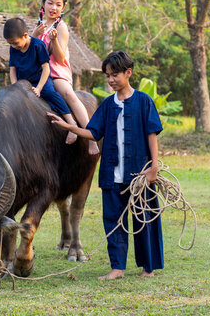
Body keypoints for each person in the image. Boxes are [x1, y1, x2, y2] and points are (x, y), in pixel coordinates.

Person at [47, 50, 164, 280]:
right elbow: (93, 131)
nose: (110, 80)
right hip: (112, 174)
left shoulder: (143, 101)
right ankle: (117, 268)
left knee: (144, 219)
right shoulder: (108, 104)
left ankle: (147, 268)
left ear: (128, 73)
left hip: (140, 173)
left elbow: (152, 133)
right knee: (113, 221)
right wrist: (70, 127)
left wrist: (154, 167)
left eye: (114, 75)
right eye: (107, 75)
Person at [0, 17, 76, 152]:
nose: (14, 46)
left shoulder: (38, 45)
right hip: (22, 82)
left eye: (15, 43)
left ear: (25, 36)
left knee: (50, 94)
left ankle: (72, 124)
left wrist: (39, 88)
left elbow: (46, 69)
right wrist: (14, 86)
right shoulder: (13, 48)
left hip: (40, 80)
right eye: (10, 44)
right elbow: (12, 70)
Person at [32, 0, 99, 155]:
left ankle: (91, 139)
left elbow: (60, 58)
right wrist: (34, 34)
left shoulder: (61, 27)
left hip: (56, 71)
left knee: (68, 93)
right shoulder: (39, 25)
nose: (53, 8)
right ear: (43, 4)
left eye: (58, 5)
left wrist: (53, 41)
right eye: (50, 3)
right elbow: (30, 50)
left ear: (63, 8)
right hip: (39, 71)